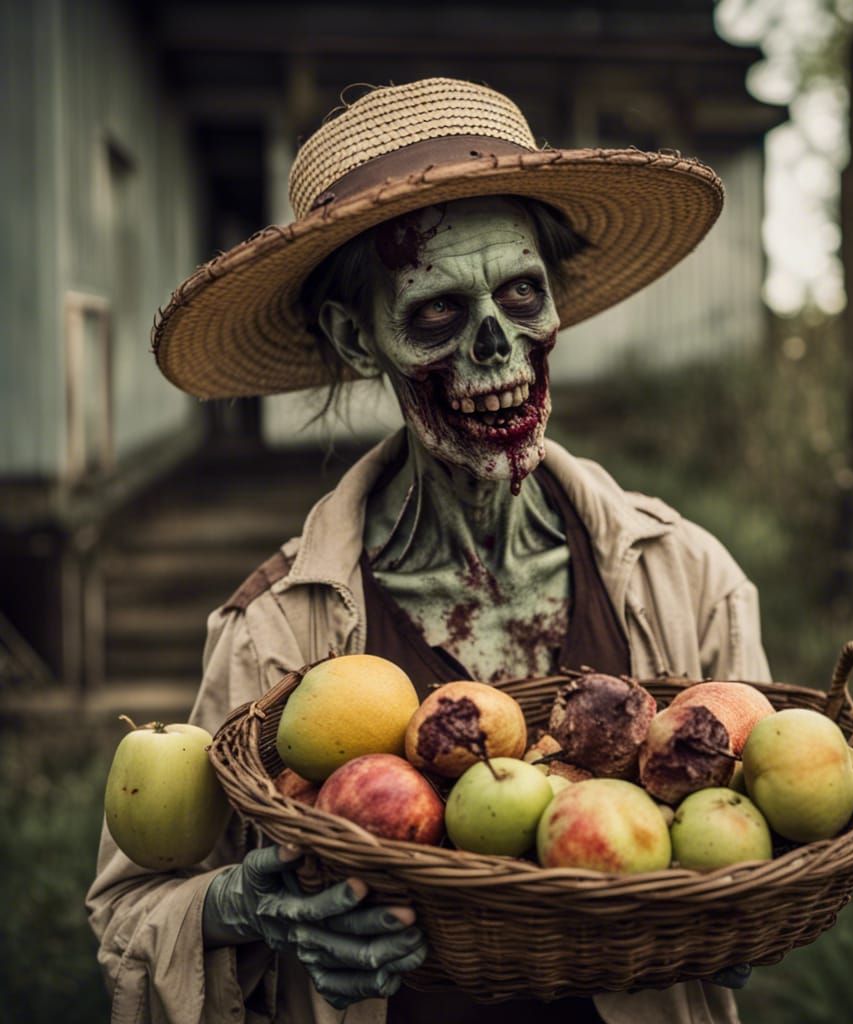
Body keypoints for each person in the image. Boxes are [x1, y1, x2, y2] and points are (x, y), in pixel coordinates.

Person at [87, 77, 771, 1024]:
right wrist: (249, 908)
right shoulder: (275, 628)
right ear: (355, 337)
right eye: (437, 312)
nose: (499, 348)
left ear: (556, 307)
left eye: (521, 293)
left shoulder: (687, 578)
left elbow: (761, 841)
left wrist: (734, 914)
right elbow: (131, 911)